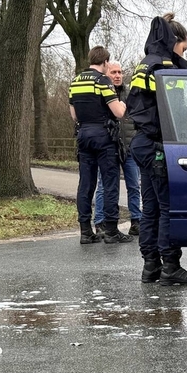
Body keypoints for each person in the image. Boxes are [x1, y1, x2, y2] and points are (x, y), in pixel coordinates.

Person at [126, 13, 187, 285]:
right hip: (158, 145)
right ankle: (170, 265)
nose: (184, 53)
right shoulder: (164, 67)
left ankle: (150, 267)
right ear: (174, 41)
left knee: (151, 209)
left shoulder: (144, 64)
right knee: (168, 207)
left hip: (143, 143)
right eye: (183, 47)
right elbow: (173, 109)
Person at [69, 46, 131, 244]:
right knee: (110, 182)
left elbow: (74, 115)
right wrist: (123, 103)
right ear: (105, 63)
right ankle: (112, 231)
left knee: (86, 184)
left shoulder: (75, 81)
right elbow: (118, 112)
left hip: (84, 136)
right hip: (103, 136)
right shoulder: (102, 81)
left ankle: (85, 232)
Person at [93, 61, 142, 237]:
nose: (117, 75)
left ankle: (136, 220)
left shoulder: (131, 94)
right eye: (113, 72)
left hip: (129, 147)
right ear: (106, 74)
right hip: (109, 148)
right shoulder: (101, 92)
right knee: (104, 187)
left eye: (120, 72)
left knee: (134, 185)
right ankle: (100, 222)